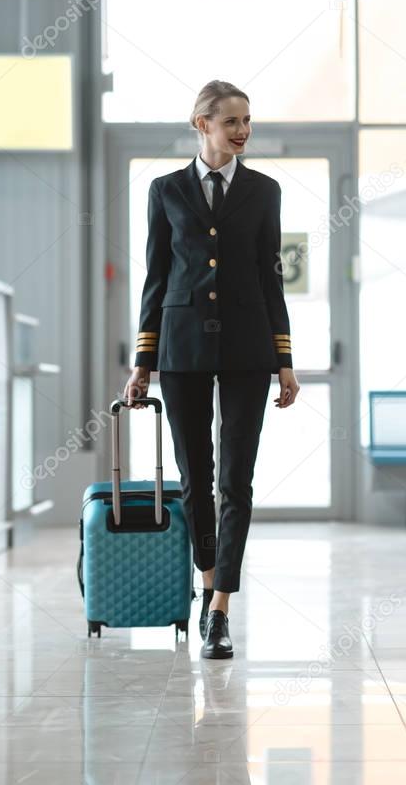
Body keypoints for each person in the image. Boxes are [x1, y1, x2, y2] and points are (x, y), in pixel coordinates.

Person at [124, 79, 300, 659]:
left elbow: (271, 275)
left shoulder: (265, 190)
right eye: (233, 123)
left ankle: (222, 607)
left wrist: (286, 360)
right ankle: (205, 584)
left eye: (248, 121)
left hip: (249, 348)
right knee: (195, 477)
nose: (243, 132)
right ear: (203, 124)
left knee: (236, 481)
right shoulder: (165, 189)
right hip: (181, 350)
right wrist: (142, 362)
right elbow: (155, 277)